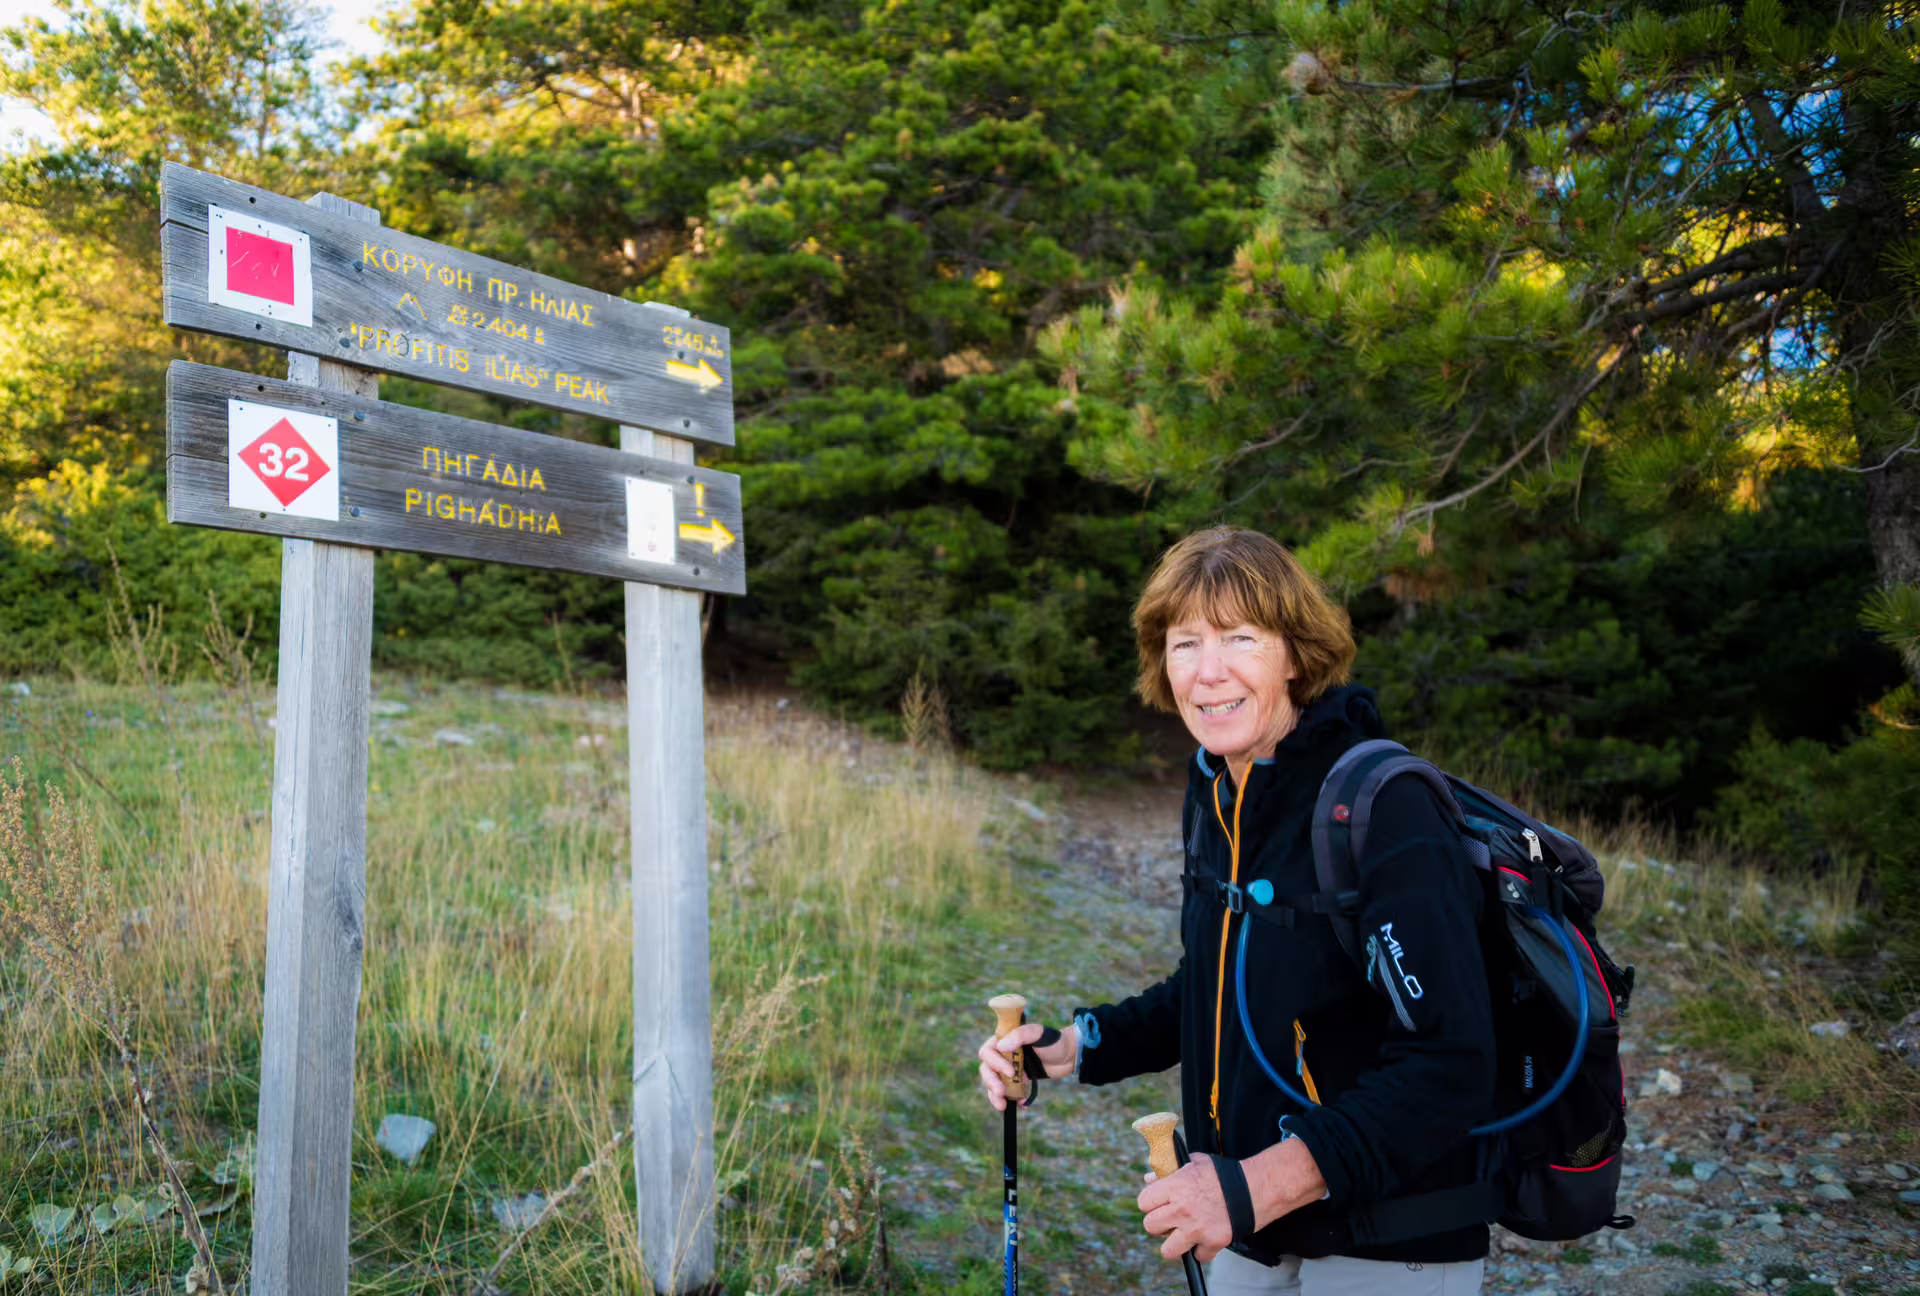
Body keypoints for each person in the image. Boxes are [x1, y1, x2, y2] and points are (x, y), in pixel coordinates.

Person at [977, 527, 1497, 1296]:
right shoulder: (1220, 790)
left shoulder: (1385, 808)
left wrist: (1257, 1186)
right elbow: (1223, 982)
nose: (1208, 672)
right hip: (1254, 1229)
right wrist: (1078, 1046)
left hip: (1391, 1239)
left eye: (1240, 638)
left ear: (1294, 652)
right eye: (1185, 643)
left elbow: (1452, 1064)